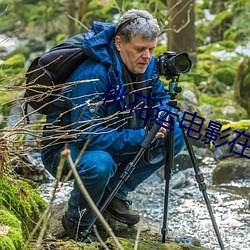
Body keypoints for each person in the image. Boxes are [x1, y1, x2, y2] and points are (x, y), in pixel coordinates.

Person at [41, 9, 185, 241]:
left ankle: (115, 193)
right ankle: (76, 221)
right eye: (140, 49)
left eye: (152, 49)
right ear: (119, 43)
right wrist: (143, 135)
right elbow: (87, 136)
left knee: (175, 133)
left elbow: (161, 99)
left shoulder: (145, 65)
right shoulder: (92, 75)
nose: (147, 56)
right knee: (100, 164)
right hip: (66, 149)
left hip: (116, 134)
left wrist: (162, 117)